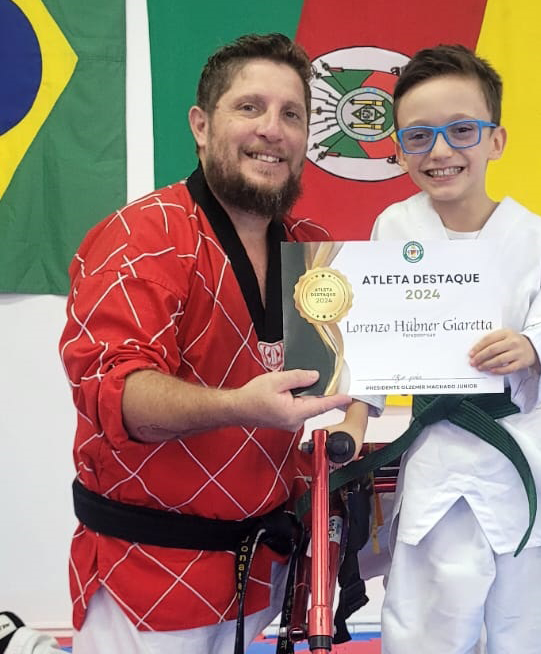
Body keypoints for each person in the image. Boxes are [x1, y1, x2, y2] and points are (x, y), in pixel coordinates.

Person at [58, 33, 354, 654]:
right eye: (249, 107)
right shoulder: (142, 237)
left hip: (262, 570)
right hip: (149, 575)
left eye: (291, 114)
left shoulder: (312, 249)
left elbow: (356, 370)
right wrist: (239, 406)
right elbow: (117, 396)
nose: (272, 130)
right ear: (200, 125)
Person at [343, 44, 541, 654]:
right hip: (437, 451)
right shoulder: (393, 228)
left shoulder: (532, 236)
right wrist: (353, 423)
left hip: (517, 450)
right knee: (431, 611)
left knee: (525, 618)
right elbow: (375, 334)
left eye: (461, 131)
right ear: (398, 149)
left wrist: (532, 346)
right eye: (419, 136)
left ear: (495, 140)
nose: (440, 151)